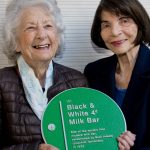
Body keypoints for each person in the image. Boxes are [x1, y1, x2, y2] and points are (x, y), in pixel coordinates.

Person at [0, 0, 88, 149]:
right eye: (30, 27)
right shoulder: (2, 82)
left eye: (48, 26)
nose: (41, 34)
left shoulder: (77, 81)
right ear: (15, 42)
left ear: (58, 37)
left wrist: (115, 138)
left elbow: (89, 139)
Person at [84, 0, 150, 149]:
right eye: (106, 25)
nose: (114, 31)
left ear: (140, 23)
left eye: (124, 21)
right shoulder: (93, 72)